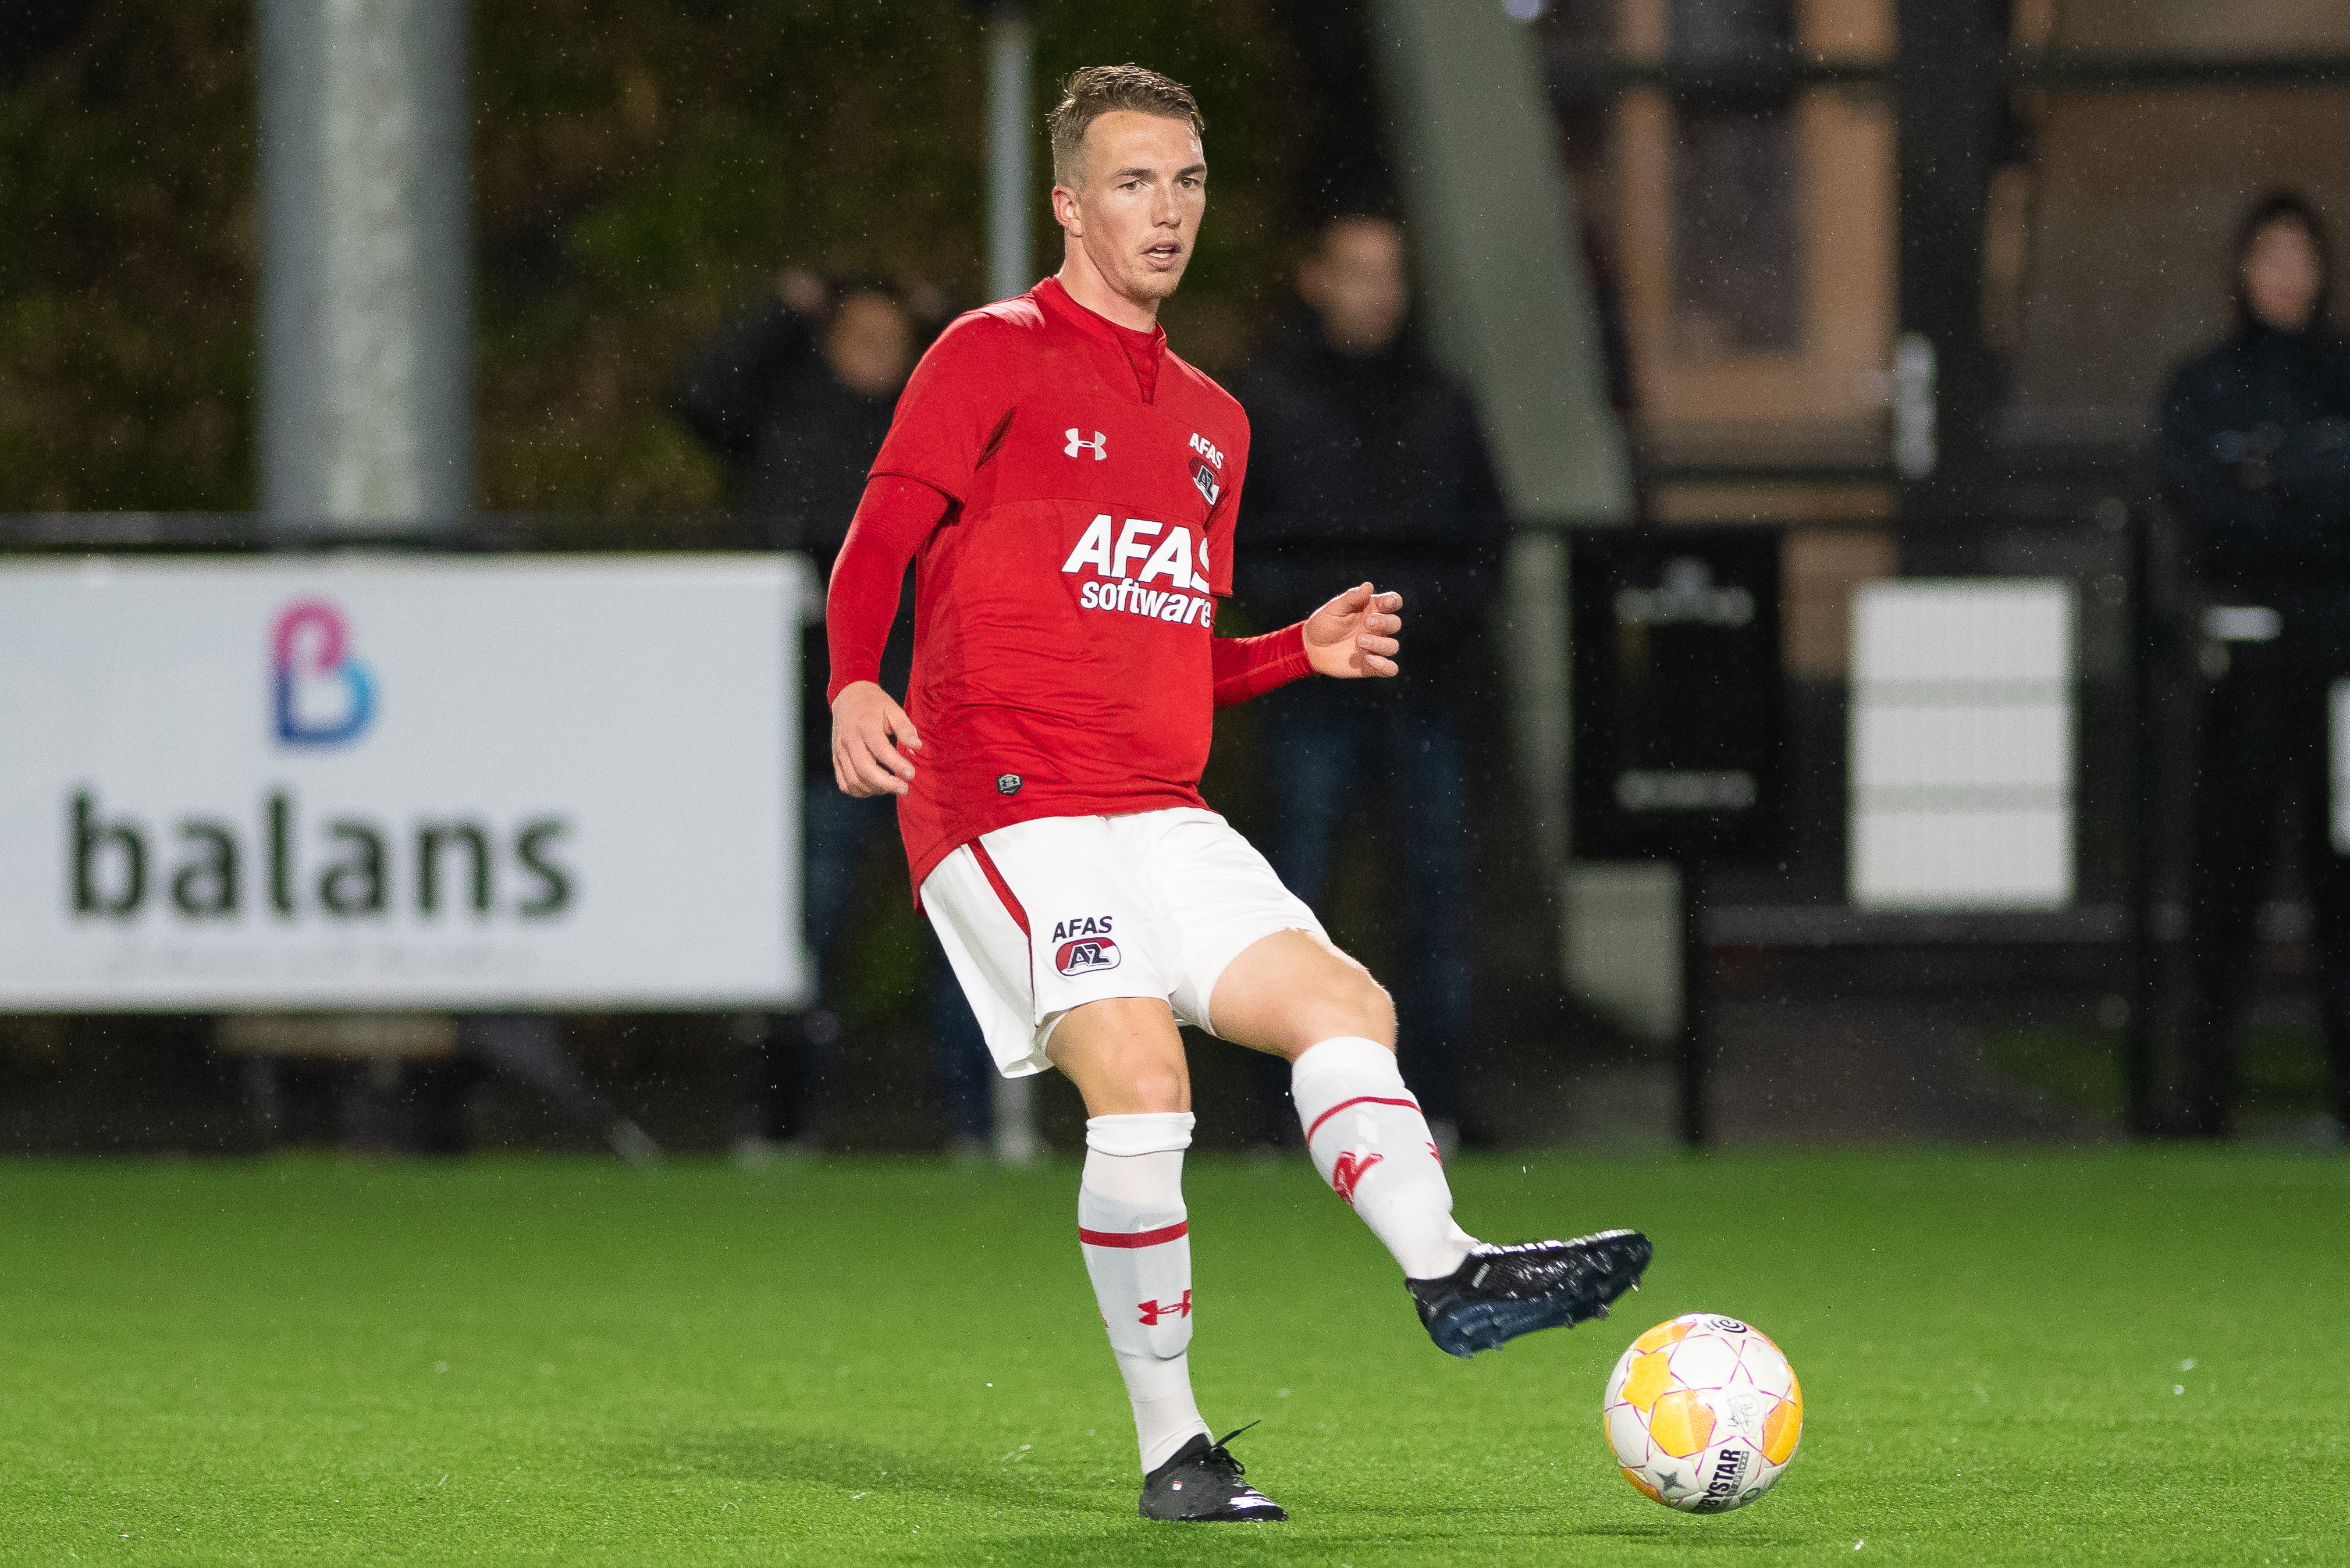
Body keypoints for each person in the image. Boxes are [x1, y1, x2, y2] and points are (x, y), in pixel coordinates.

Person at [823, 63, 1650, 1523]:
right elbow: (877, 539)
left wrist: (1289, 652)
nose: (1166, 210)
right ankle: (1176, 1449)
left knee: (1345, 1006)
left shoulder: (1215, 421)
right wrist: (851, 680)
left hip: (1157, 809)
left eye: (1188, 181)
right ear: (1069, 202)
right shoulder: (991, 352)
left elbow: (1153, 649)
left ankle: (1447, 1269)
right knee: (1145, 1081)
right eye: (1133, 181)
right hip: (1003, 801)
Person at [677, 269, 993, 1157]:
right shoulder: (789, 423)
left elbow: (1014, 402)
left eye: (894, 338)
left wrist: (946, 316)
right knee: (806, 933)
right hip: (820, 727)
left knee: (966, 928)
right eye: (858, 335)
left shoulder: (937, 428)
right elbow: (702, 398)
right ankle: (783, 1125)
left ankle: (976, 1123)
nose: (877, 353)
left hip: (935, 719)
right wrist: (783, 312)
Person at [1229, 214, 1509, 1154]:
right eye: (1356, 271)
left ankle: (1435, 1110)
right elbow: (1229, 551)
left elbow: (1486, 545)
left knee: (1434, 904)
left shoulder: (1443, 399)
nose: (1375, 292)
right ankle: (1287, 1115)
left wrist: (1409, 619)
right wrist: (1316, 625)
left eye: (1389, 273)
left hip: (1420, 689)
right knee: (1291, 907)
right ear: (1315, 279)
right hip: (1308, 695)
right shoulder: (1266, 401)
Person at [2161, 190, 2350, 1143]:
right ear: (2243, 269)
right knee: (2226, 879)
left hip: (2340, 668)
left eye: (2301, 256)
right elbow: (2205, 513)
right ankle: (2203, 1097)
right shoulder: (2206, 383)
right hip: (2245, 669)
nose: (2287, 275)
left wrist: (2277, 485)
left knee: (2341, 882)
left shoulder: (2341, 375)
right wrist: (2300, 493)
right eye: (2271, 255)